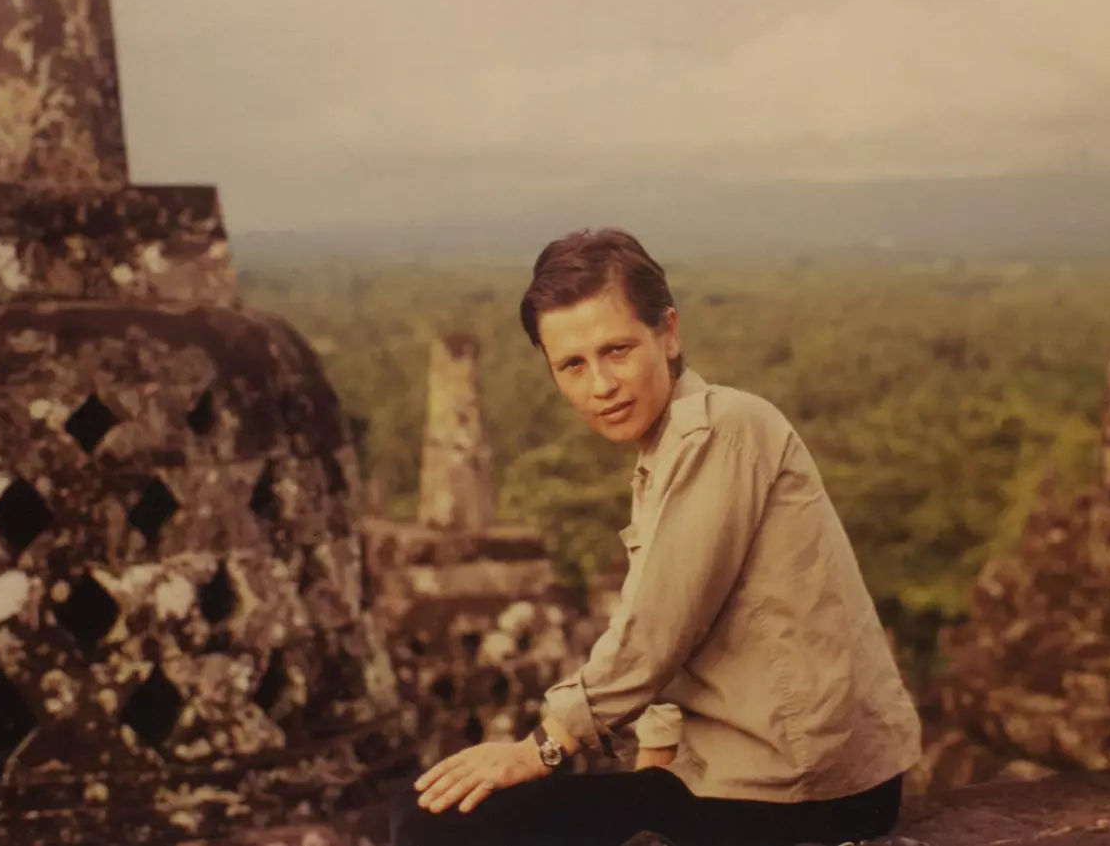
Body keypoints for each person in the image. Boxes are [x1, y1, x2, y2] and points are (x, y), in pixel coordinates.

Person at [391, 228, 922, 846]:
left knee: (434, 826)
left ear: (668, 333)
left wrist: (543, 747)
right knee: (432, 810)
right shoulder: (666, 453)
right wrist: (646, 791)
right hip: (735, 777)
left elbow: (657, 631)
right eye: (572, 365)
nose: (600, 385)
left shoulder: (720, 432)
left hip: (802, 789)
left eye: (616, 350)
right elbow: (686, 640)